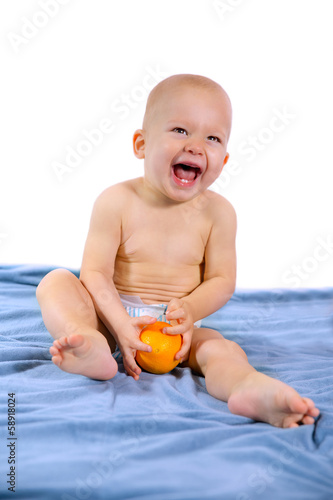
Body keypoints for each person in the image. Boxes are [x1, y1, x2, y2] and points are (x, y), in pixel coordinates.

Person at [36, 74, 319, 428]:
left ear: (224, 160)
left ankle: (248, 387)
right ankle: (90, 345)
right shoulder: (116, 201)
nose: (196, 146)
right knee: (56, 282)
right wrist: (119, 324)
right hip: (112, 317)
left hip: (177, 330)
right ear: (141, 144)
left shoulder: (219, 213)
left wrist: (189, 311)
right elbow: (94, 274)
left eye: (212, 138)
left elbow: (221, 280)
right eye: (181, 131)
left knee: (222, 350)